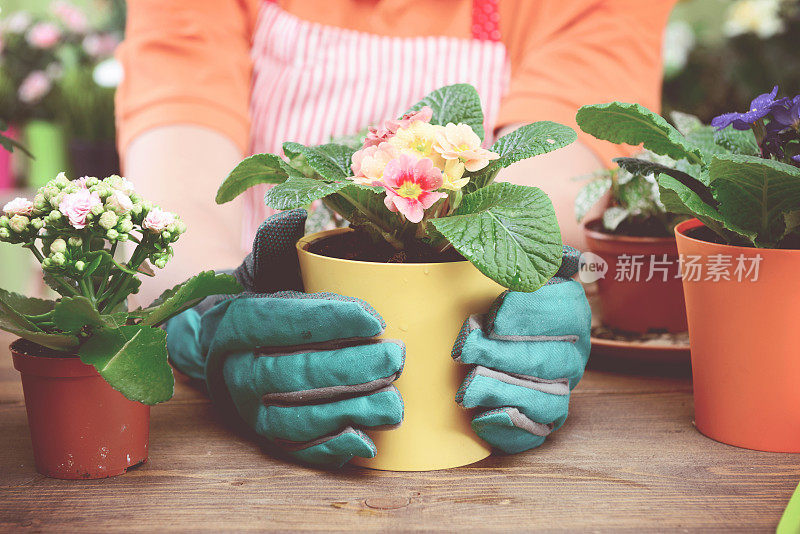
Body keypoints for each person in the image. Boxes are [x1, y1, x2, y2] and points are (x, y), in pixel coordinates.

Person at [117, 0, 676, 467]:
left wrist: (522, 272)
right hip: (268, 300)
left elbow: (556, 174)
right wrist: (211, 304)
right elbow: (176, 184)